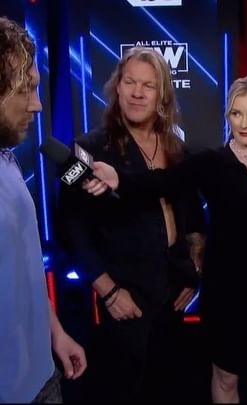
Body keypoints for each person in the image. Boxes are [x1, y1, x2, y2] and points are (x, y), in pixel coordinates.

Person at [85, 74, 247, 403]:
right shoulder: (210, 163)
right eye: (236, 113)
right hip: (227, 294)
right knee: (226, 380)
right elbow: (161, 183)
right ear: (227, 116)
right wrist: (120, 179)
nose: (244, 123)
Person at [56, 46, 206, 402]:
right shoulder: (86, 149)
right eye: (130, 82)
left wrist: (193, 270)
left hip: (171, 297)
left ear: (162, 94)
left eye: (148, 85)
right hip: (124, 298)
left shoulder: (176, 147)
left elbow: (192, 215)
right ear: (117, 87)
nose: (138, 93)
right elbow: (70, 229)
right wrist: (108, 291)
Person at [0, 16, 87, 403]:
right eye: (27, 89)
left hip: (42, 375)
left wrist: (55, 332)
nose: (37, 104)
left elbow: (26, 272)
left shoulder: (8, 158)